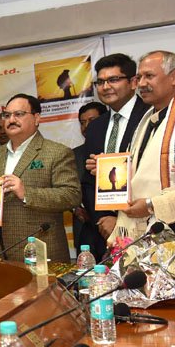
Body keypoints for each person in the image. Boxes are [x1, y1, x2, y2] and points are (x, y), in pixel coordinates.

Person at [95, 51, 175, 262]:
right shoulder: (146, 122)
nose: (141, 83)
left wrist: (151, 204)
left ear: (174, 76)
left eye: (149, 76)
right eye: (139, 77)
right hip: (144, 236)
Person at [0, 94, 81, 262]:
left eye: (19, 114)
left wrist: (26, 193)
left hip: (40, 250)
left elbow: (72, 196)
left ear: (36, 118)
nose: (11, 120)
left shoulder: (57, 153)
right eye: (7, 115)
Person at [81, 53, 149, 259]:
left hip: (145, 223)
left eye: (113, 80)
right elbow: (88, 182)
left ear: (133, 82)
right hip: (106, 232)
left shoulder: (152, 116)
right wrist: (104, 219)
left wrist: (123, 221)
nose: (105, 86)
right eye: (100, 82)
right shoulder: (95, 127)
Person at [73, 102, 107, 258]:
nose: (86, 126)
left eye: (91, 121)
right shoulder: (73, 154)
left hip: (115, 225)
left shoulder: (115, 148)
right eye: (82, 122)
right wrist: (76, 208)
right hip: (85, 229)